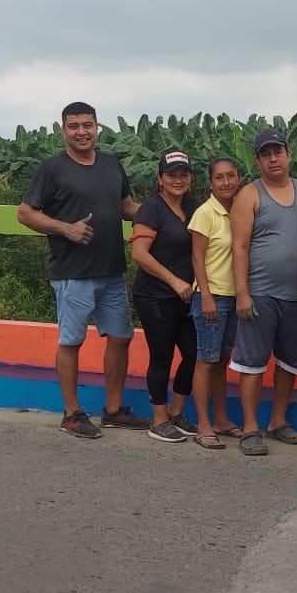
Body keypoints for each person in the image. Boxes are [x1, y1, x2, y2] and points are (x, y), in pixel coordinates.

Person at [17, 102, 149, 438]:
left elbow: (126, 207)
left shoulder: (111, 163)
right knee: (71, 341)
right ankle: (72, 414)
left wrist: (161, 211)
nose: (81, 132)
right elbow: (26, 213)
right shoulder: (52, 169)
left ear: (97, 127)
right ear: (63, 130)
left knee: (120, 338)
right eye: (74, 126)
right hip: (72, 273)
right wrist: (66, 229)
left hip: (112, 270)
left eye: (87, 125)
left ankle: (113, 410)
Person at [229, 128, 297, 456]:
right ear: (258, 161)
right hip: (260, 294)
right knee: (252, 363)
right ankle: (250, 427)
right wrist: (242, 294)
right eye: (265, 154)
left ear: (288, 154)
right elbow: (239, 247)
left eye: (278, 152)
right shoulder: (249, 195)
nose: (273, 159)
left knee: (289, 362)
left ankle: (278, 421)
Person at [129, 150, 200, 443]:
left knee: (194, 354)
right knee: (162, 356)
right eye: (171, 175)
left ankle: (176, 413)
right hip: (155, 296)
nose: (178, 180)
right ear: (160, 179)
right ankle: (158, 420)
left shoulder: (194, 207)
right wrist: (174, 281)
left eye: (183, 174)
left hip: (186, 298)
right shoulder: (151, 210)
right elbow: (139, 253)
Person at [186, 156, 244, 450]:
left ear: (238, 179)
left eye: (230, 176)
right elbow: (197, 257)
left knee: (221, 361)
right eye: (219, 177)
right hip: (212, 297)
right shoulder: (205, 213)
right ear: (211, 183)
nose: (226, 182)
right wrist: (205, 295)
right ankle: (203, 425)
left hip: (235, 297)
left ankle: (221, 419)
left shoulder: (241, 210)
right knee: (206, 361)